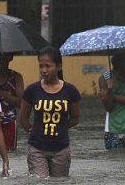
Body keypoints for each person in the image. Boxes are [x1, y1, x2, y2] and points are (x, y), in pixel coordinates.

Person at [19, 46, 81, 177]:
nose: (44, 70)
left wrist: (61, 126)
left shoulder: (70, 90)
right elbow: (23, 119)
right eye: (41, 66)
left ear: (59, 67)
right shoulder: (32, 90)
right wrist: (33, 131)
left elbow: (75, 118)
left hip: (61, 148)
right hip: (37, 148)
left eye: (48, 66)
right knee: (40, 184)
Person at [98, 52, 125, 150]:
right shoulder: (104, 79)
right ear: (116, 71)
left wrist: (111, 95)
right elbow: (108, 107)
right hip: (112, 128)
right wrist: (109, 90)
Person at [0, 52, 24, 151]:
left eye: (5, 55)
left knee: (9, 152)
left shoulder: (16, 77)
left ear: (11, 57)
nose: (2, 58)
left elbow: (21, 103)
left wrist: (1, 93)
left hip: (9, 123)